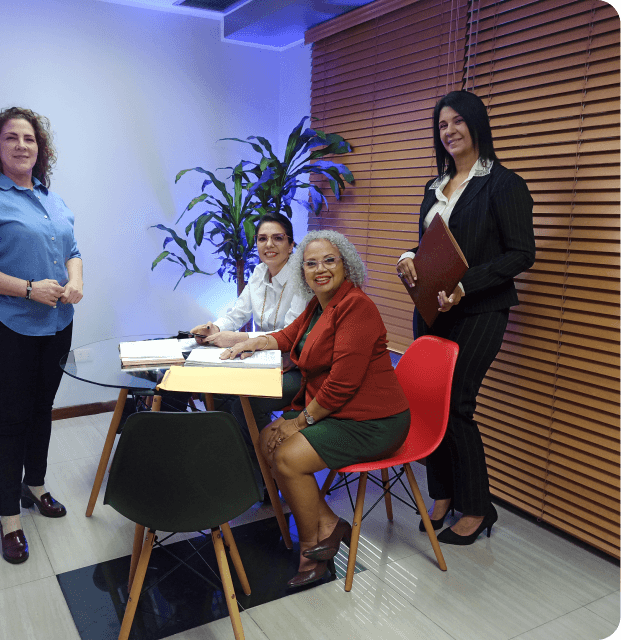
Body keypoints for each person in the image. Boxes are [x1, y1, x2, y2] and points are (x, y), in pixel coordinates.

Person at [223, 230, 410, 588]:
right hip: (340, 411)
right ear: (303, 272)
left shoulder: (357, 307)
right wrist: (254, 342)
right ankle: (328, 524)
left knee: (287, 456)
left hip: (374, 420)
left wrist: (300, 422)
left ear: (346, 265)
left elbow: (342, 383)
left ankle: (312, 549)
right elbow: (289, 336)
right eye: (311, 263)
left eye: (329, 261)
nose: (320, 269)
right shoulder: (319, 304)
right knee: (266, 440)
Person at [397, 90, 535, 545]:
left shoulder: (504, 184)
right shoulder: (434, 186)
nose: (449, 131)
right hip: (430, 309)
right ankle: (442, 494)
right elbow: (431, 245)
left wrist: (464, 286)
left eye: (457, 121)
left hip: (479, 310)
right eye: (442, 124)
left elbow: (521, 254)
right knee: (426, 401)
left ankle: (477, 507)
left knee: (457, 405)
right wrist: (409, 257)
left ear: (476, 123)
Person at [0, 107, 83, 564]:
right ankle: (9, 518)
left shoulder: (53, 199)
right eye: (12, 137)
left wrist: (75, 279)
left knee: (42, 410)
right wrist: (28, 289)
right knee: (11, 419)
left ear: (39, 148)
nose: (22, 145)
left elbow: (73, 250)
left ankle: (36, 486)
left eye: (29, 138)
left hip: (57, 323)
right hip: (5, 326)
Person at [190, 213, 308, 484]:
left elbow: (289, 335)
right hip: (262, 360)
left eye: (278, 238)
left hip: (296, 366)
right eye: (262, 239)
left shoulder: (302, 279)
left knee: (247, 404)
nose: (269, 245)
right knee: (217, 393)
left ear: (291, 245)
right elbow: (236, 313)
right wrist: (214, 328)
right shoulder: (258, 273)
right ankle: (241, 466)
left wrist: (237, 339)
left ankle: (267, 479)